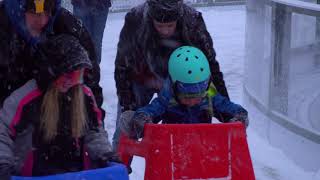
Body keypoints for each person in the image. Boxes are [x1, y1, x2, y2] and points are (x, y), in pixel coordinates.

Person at [113, 0, 230, 148]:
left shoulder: (193, 21)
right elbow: (122, 65)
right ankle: (119, 164)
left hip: (181, 80)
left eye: (170, 25)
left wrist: (226, 112)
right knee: (126, 127)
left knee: (190, 124)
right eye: (160, 25)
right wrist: (127, 107)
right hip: (142, 77)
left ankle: (183, 156)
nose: (165, 31)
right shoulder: (135, 20)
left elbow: (209, 65)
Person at [0, 35, 119, 179]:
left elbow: (94, 132)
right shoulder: (26, 99)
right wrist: (3, 164)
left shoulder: (84, 96)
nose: (71, 82)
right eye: (67, 75)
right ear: (53, 72)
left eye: (77, 76)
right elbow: (2, 131)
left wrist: (104, 155)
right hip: (34, 175)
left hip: (75, 174)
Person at [0, 0, 104, 117]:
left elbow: (91, 88)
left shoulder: (69, 29)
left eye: (48, 8)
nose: (43, 20)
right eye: (34, 10)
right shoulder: (4, 31)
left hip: (62, 126)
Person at [119, 46, 249, 139]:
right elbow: (151, 110)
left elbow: (227, 106)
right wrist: (142, 118)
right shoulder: (167, 98)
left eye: (199, 96)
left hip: (203, 146)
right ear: (175, 89)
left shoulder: (209, 95)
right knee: (130, 120)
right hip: (171, 148)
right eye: (187, 97)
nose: (193, 101)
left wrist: (239, 115)